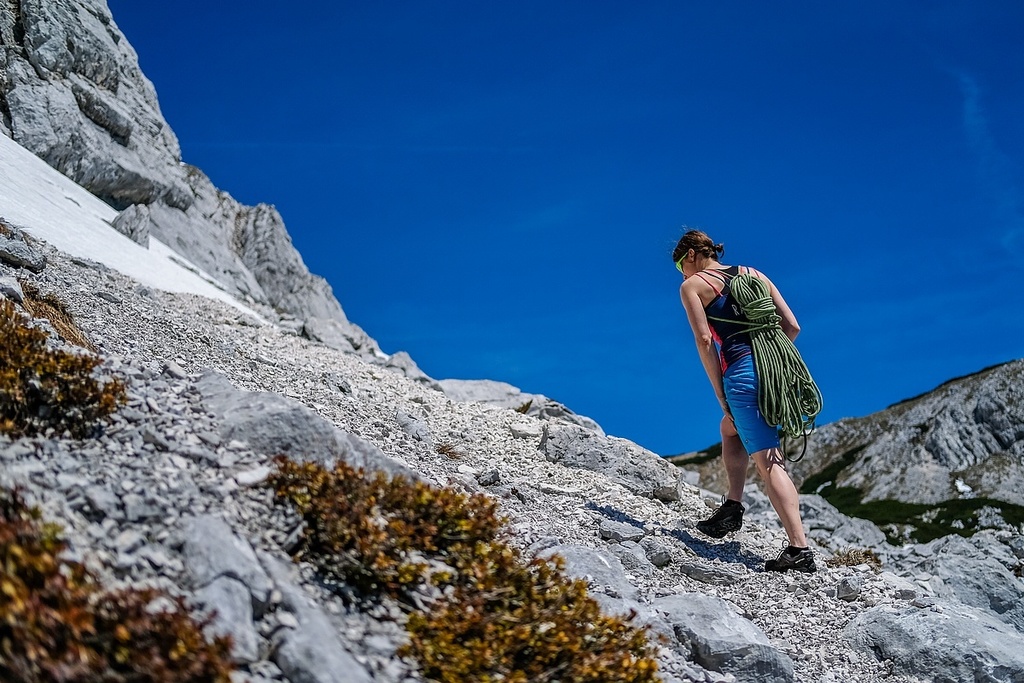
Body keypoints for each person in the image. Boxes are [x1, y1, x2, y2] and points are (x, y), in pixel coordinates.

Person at [673, 228, 815, 573]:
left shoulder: (692, 287)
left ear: (691, 254)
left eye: (680, 266)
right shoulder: (753, 274)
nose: (682, 273)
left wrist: (722, 392)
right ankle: (732, 506)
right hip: (775, 372)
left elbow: (705, 339)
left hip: (741, 374)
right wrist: (772, 362)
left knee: (769, 461)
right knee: (730, 430)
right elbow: (792, 326)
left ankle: (799, 549)